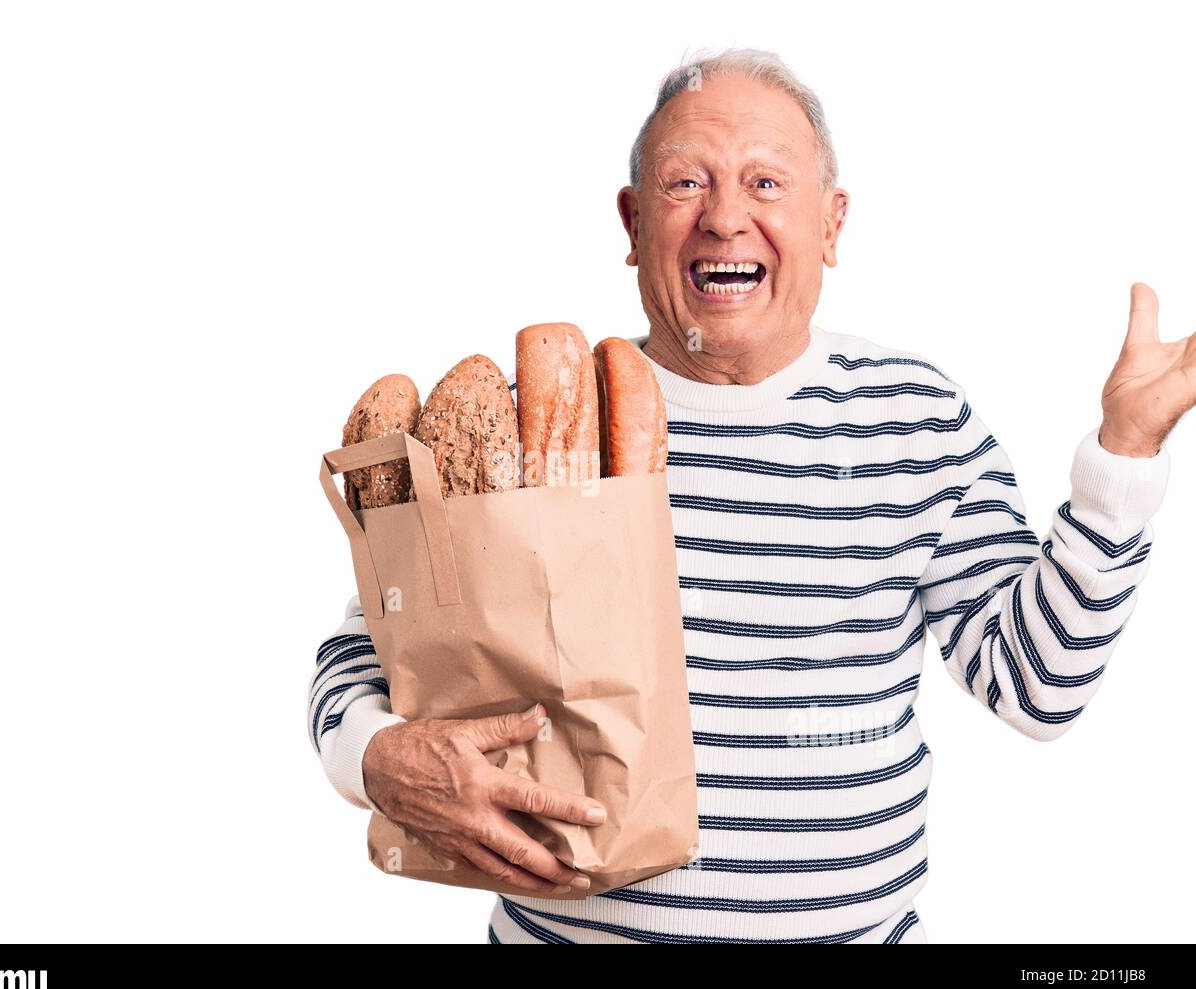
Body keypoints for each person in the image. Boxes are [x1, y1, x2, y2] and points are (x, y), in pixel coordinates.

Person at [309, 47, 1191, 943]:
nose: (726, 218)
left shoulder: (914, 418)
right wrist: (376, 756)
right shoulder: (532, 419)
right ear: (633, 219)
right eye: (685, 183)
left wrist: (1124, 460)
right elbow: (365, 649)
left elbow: (1036, 686)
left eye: (767, 182)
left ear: (832, 224)